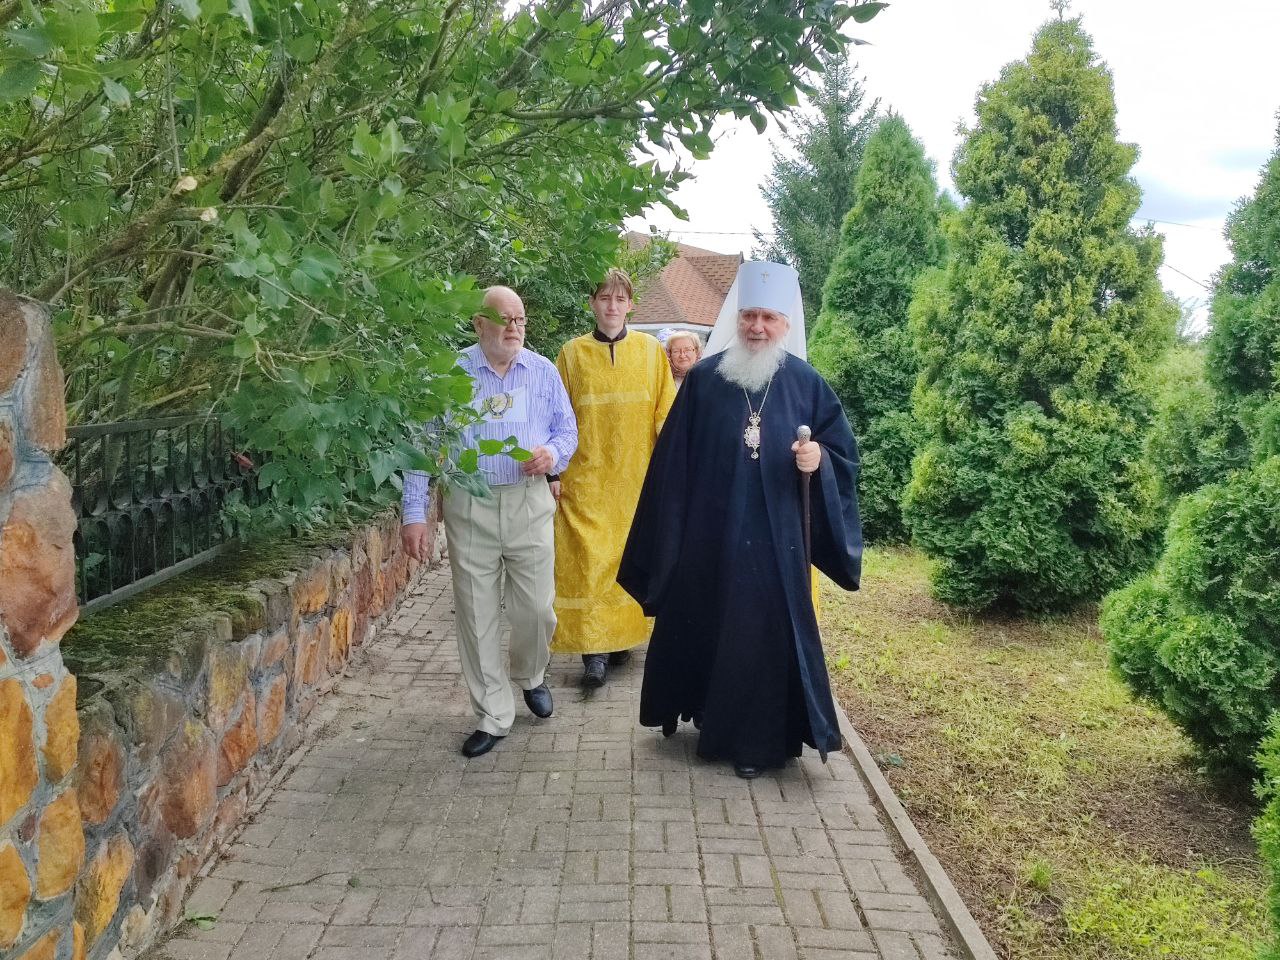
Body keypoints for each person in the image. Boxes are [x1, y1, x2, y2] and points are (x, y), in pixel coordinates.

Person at [617, 261, 863, 779]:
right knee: (709, 621)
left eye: (768, 318)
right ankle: (708, 716)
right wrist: (669, 539)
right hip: (709, 535)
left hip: (776, 543)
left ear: (785, 324)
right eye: (749, 316)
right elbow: (671, 463)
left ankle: (757, 741)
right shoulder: (705, 379)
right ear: (737, 318)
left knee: (761, 633)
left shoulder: (806, 383)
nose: (757, 327)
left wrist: (818, 458)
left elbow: (842, 453)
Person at [402, 286, 578, 758]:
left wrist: (552, 453)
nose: (515, 328)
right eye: (505, 319)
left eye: (520, 319)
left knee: (537, 609)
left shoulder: (542, 371)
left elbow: (567, 430)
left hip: (528, 501)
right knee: (477, 614)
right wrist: (414, 514)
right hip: (469, 503)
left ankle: (530, 674)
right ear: (479, 324)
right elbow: (421, 445)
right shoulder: (450, 373)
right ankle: (493, 715)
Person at [552, 268, 678, 687]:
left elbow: (666, 415)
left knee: (629, 560)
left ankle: (621, 639)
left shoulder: (651, 352)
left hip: (636, 481)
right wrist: (554, 471)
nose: (611, 306)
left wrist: (670, 471)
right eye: (604, 298)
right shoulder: (571, 354)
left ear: (630, 305)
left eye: (619, 299)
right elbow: (556, 416)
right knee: (590, 563)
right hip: (584, 480)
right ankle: (594, 653)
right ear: (592, 303)